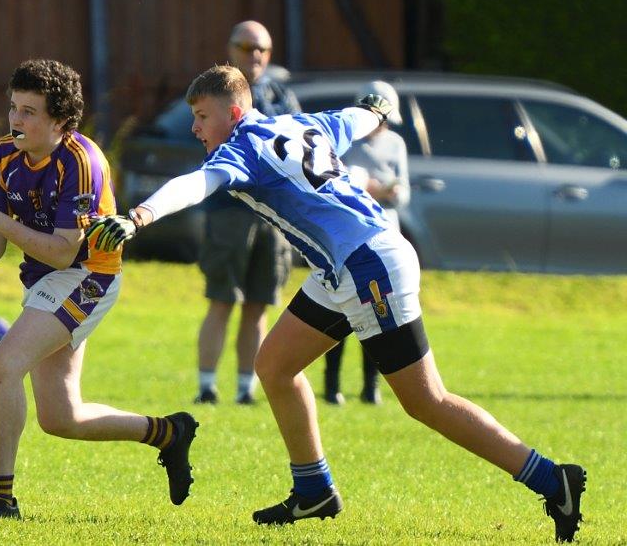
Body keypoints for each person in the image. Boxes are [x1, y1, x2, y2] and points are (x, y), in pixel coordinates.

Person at [86, 65, 585, 541]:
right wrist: (380, 102)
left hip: (367, 268)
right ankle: (313, 489)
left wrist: (139, 217)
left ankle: (550, 479)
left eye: (202, 116)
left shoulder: (240, 151)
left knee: (425, 400)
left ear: (235, 114)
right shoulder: (302, 124)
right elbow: (365, 115)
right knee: (275, 366)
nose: (196, 128)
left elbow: (194, 185)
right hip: (348, 266)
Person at [0, 59, 197, 519]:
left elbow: (63, 252)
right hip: (47, 279)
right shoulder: (2, 156)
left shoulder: (81, 162)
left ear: (60, 121)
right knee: (61, 418)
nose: (16, 120)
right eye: (13, 108)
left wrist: (0, 219)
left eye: (29, 112)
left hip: (89, 276)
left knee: (3, 366)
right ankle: (168, 433)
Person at [193, 21, 296, 405]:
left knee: (259, 303)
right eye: (247, 47)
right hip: (229, 212)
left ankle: (245, 389)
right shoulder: (213, 93)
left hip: (274, 217)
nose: (255, 56)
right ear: (230, 48)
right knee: (222, 298)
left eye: (263, 49)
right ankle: (206, 386)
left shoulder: (282, 96)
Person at [322, 80, 410, 406]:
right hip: (350, 237)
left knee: (378, 313)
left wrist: (389, 190)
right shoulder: (347, 142)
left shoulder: (396, 144)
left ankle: (371, 385)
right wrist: (368, 187)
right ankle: (332, 385)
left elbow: (403, 194)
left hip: (385, 233)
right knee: (342, 313)